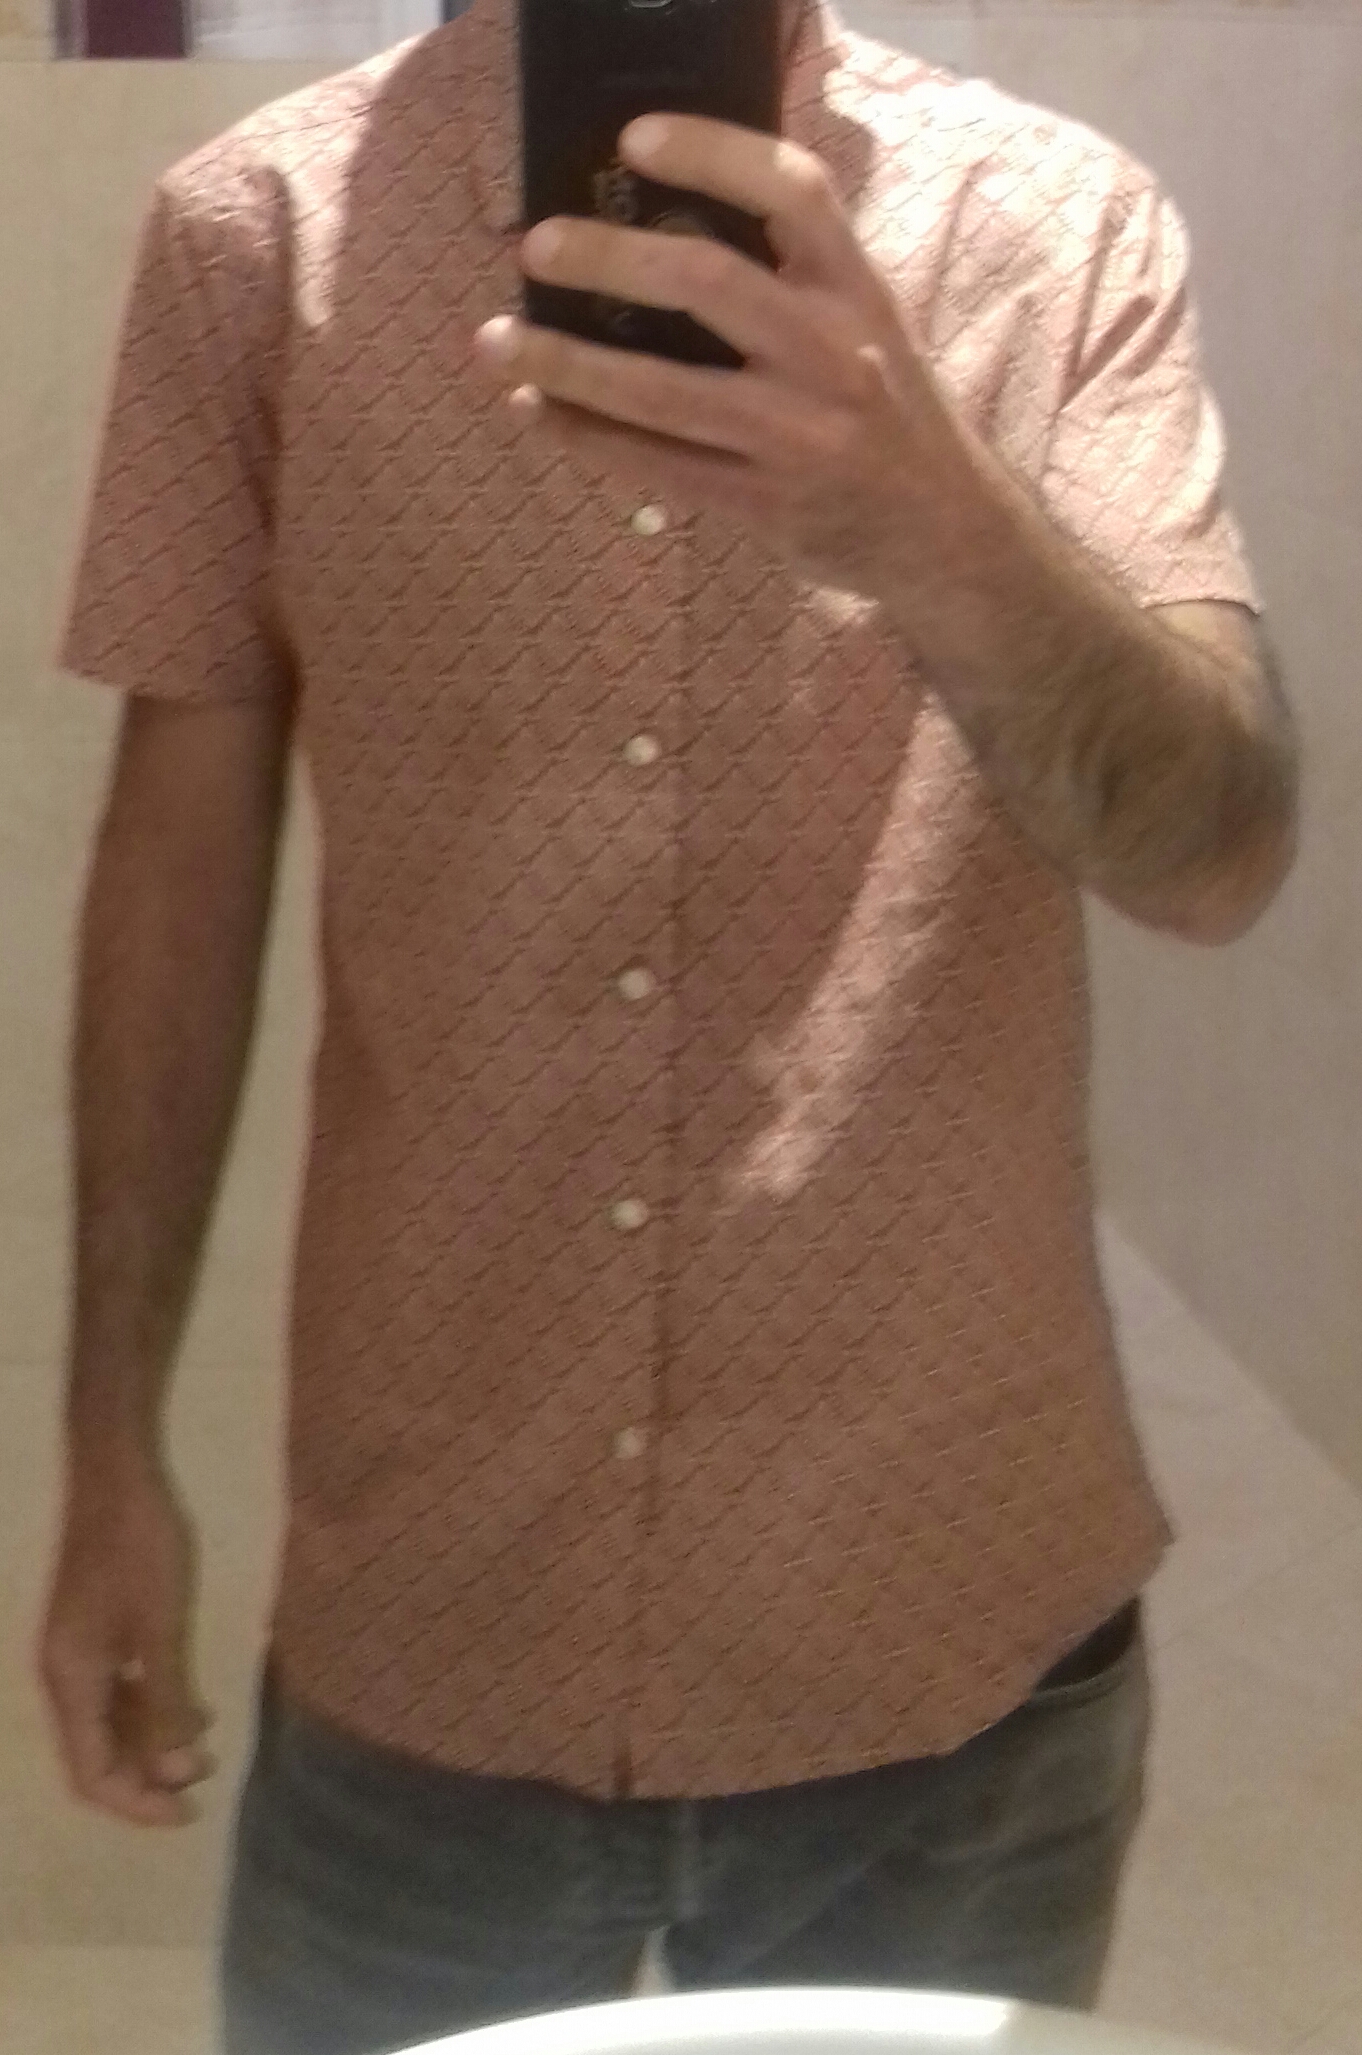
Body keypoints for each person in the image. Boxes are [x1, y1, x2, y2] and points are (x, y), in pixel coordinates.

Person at [39, 0, 1299, 2049]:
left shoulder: (1059, 224)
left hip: (942, 1620)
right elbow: (176, 866)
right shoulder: (245, 235)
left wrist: (931, 516)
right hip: (432, 1618)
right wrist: (112, 1448)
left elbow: (1213, 854)